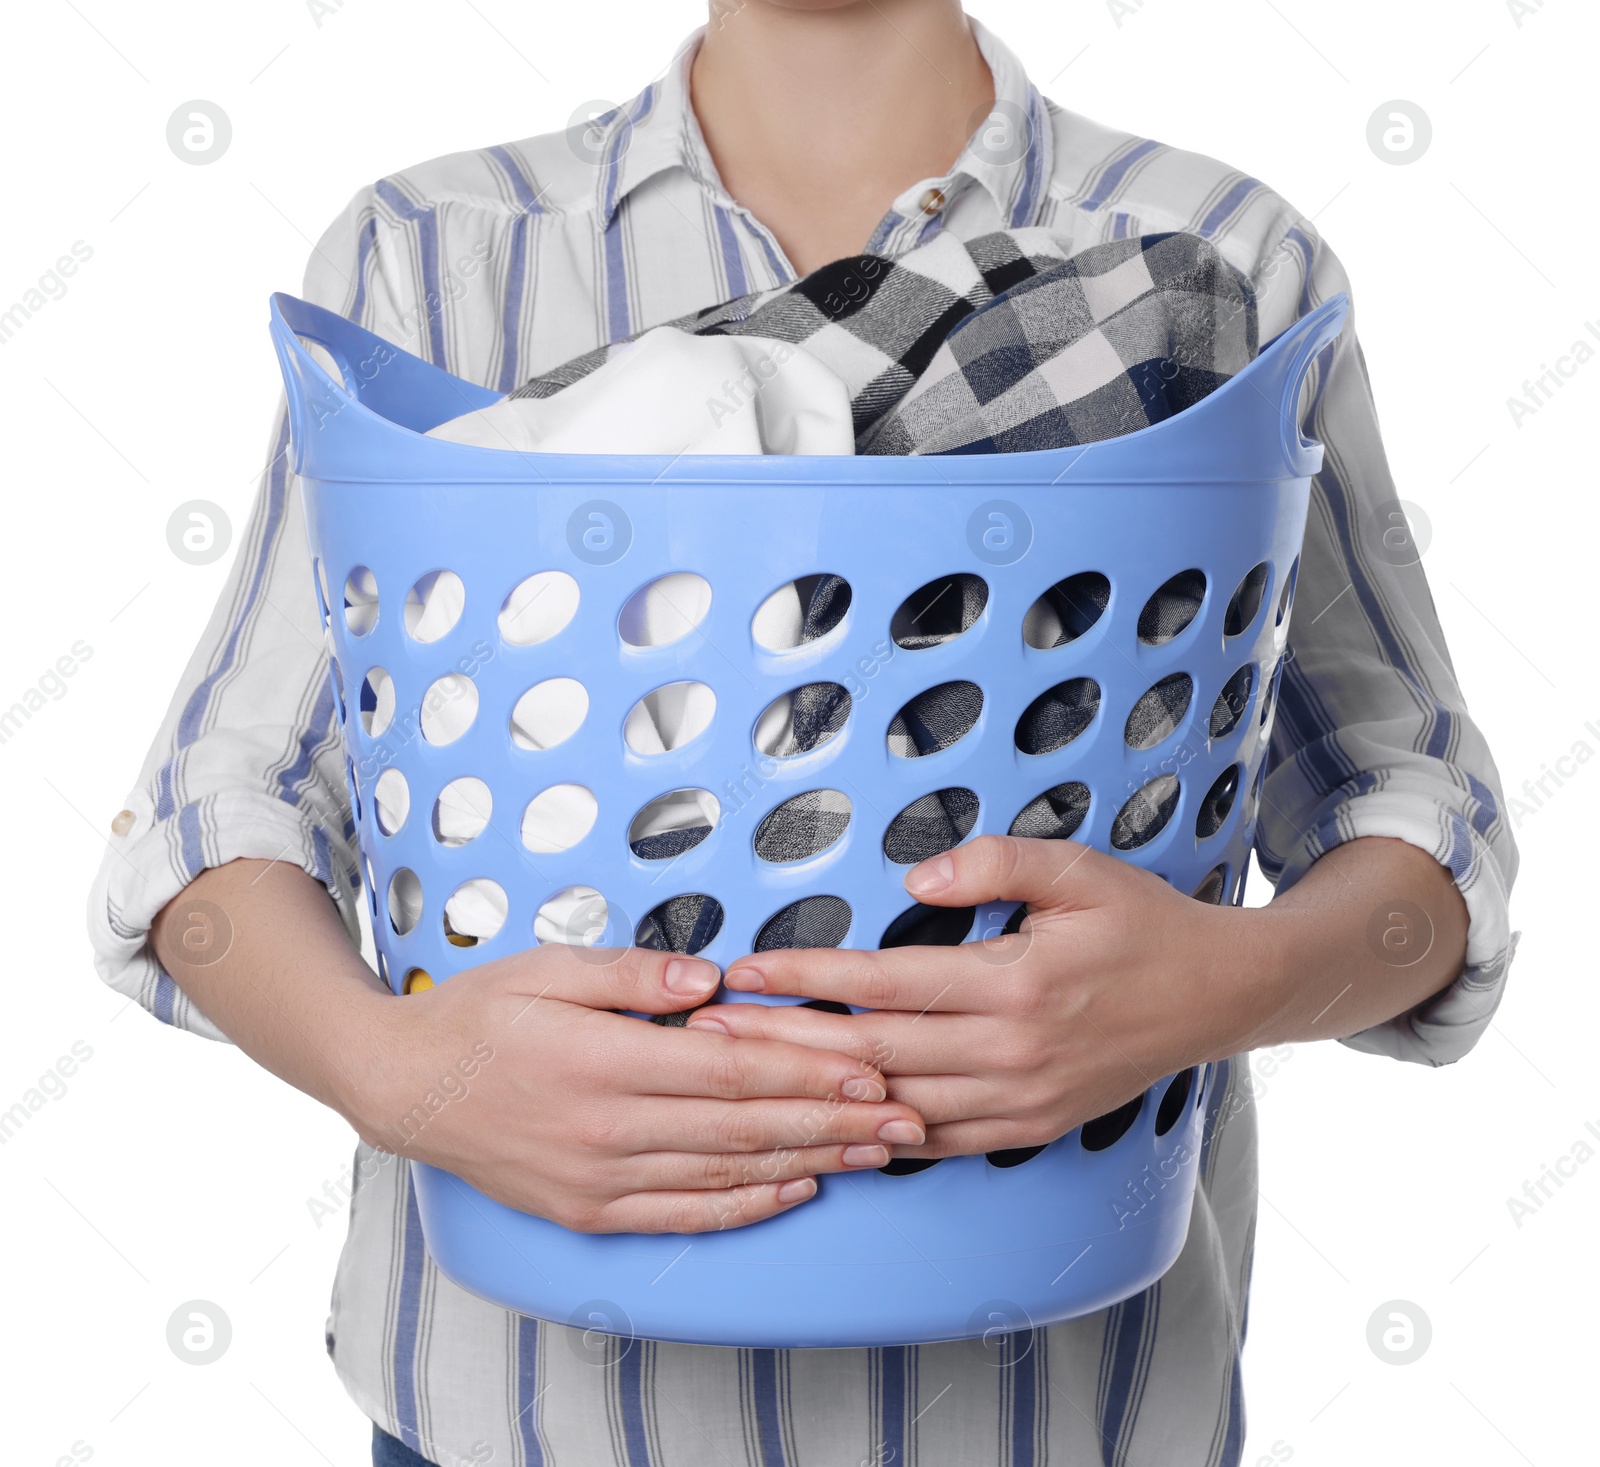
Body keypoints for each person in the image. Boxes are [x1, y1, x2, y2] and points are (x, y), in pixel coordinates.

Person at [88, 2, 1517, 1463]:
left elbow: (1418, 821)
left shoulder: (1220, 252)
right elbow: (218, 810)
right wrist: (400, 1076)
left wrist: (1230, 984)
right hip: (522, 1426)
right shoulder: (439, 249)